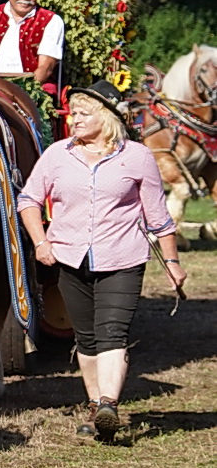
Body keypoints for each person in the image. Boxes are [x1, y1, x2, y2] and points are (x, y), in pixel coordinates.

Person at [18, 80, 182, 443]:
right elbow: (28, 200)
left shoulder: (137, 157)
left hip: (122, 258)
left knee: (112, 333)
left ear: (107, 117)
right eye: (73, 113)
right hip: (70, 258)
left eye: (83, 113)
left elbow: (158, 217)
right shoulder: (58, 155)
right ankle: (96, 407)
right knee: (87, 338)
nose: (74, 119)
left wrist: (172, 261)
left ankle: (109, 403)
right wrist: (40, 242)